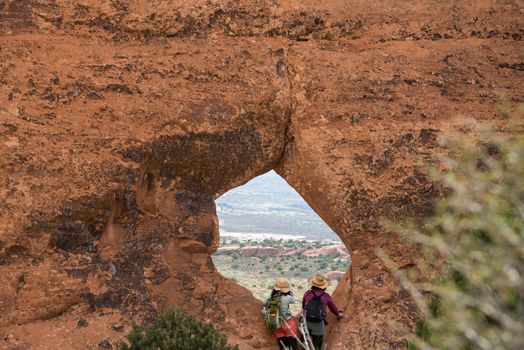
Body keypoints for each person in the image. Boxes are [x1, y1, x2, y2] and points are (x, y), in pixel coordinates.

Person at [302, 274, 342, 350]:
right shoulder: (325, 296)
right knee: (317, 346)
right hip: (318, 324)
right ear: (324, 286)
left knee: (305, 344)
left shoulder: (307, 293)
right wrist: (337, 314)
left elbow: (304, 306)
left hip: (306, 321)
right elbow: (332, 307)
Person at [262, 279, 298, 350]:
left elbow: (264, 302)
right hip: (287, 323)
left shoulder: (272, 297)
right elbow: (293, 300)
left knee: (283, 347)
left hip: (276, 324)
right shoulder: (287, 298)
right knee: (292, 347)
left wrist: (272, 292)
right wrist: (291, 293)